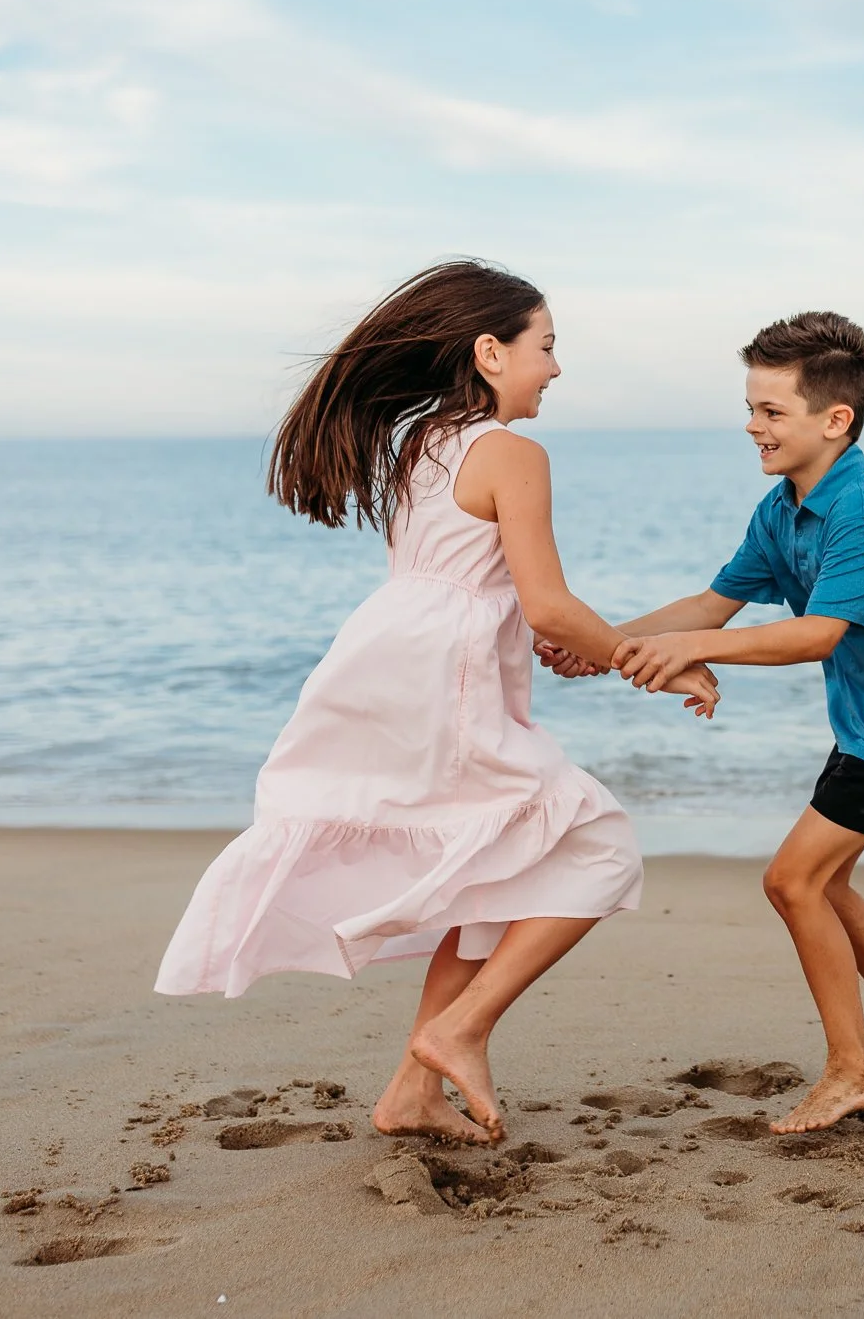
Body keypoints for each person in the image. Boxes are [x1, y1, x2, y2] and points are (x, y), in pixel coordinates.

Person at [155, 260, 716, 1146]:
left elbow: (479, 584)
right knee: (599, 843)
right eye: (547, 346)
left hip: (392, 662)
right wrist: (650, 660)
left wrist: (554, 635)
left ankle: (412, 1090)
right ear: (491, 352)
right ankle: (458, 1029)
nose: (557, 368)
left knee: (485, 863)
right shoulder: (514, 453)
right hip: (444, 682)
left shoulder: (425, 441)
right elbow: (546, 603)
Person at [548, 311, 864, 1134]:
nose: (752, 426)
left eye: (772, 411)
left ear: (833, 419)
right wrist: (609, 644)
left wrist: (687, 649)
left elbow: (816, 633)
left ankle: (852, 1068)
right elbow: (713, 604)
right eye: (752, 407)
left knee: (793, 881)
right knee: (826, 881)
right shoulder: (783, 509)